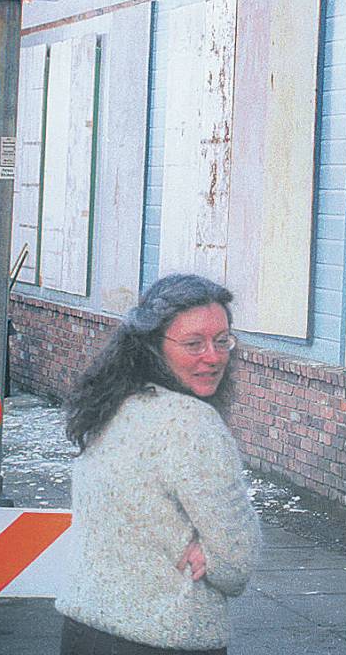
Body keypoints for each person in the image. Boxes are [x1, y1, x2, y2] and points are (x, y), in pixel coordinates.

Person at [56, 274, 260, 655]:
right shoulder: (190, 423)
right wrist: (215, 555)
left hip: (85, 630)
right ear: (152, 345)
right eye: (193, 343)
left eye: (222, 341)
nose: (213, 357)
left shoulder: (112, 406)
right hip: (164, 638)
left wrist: (212, 552)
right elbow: (236, 561)